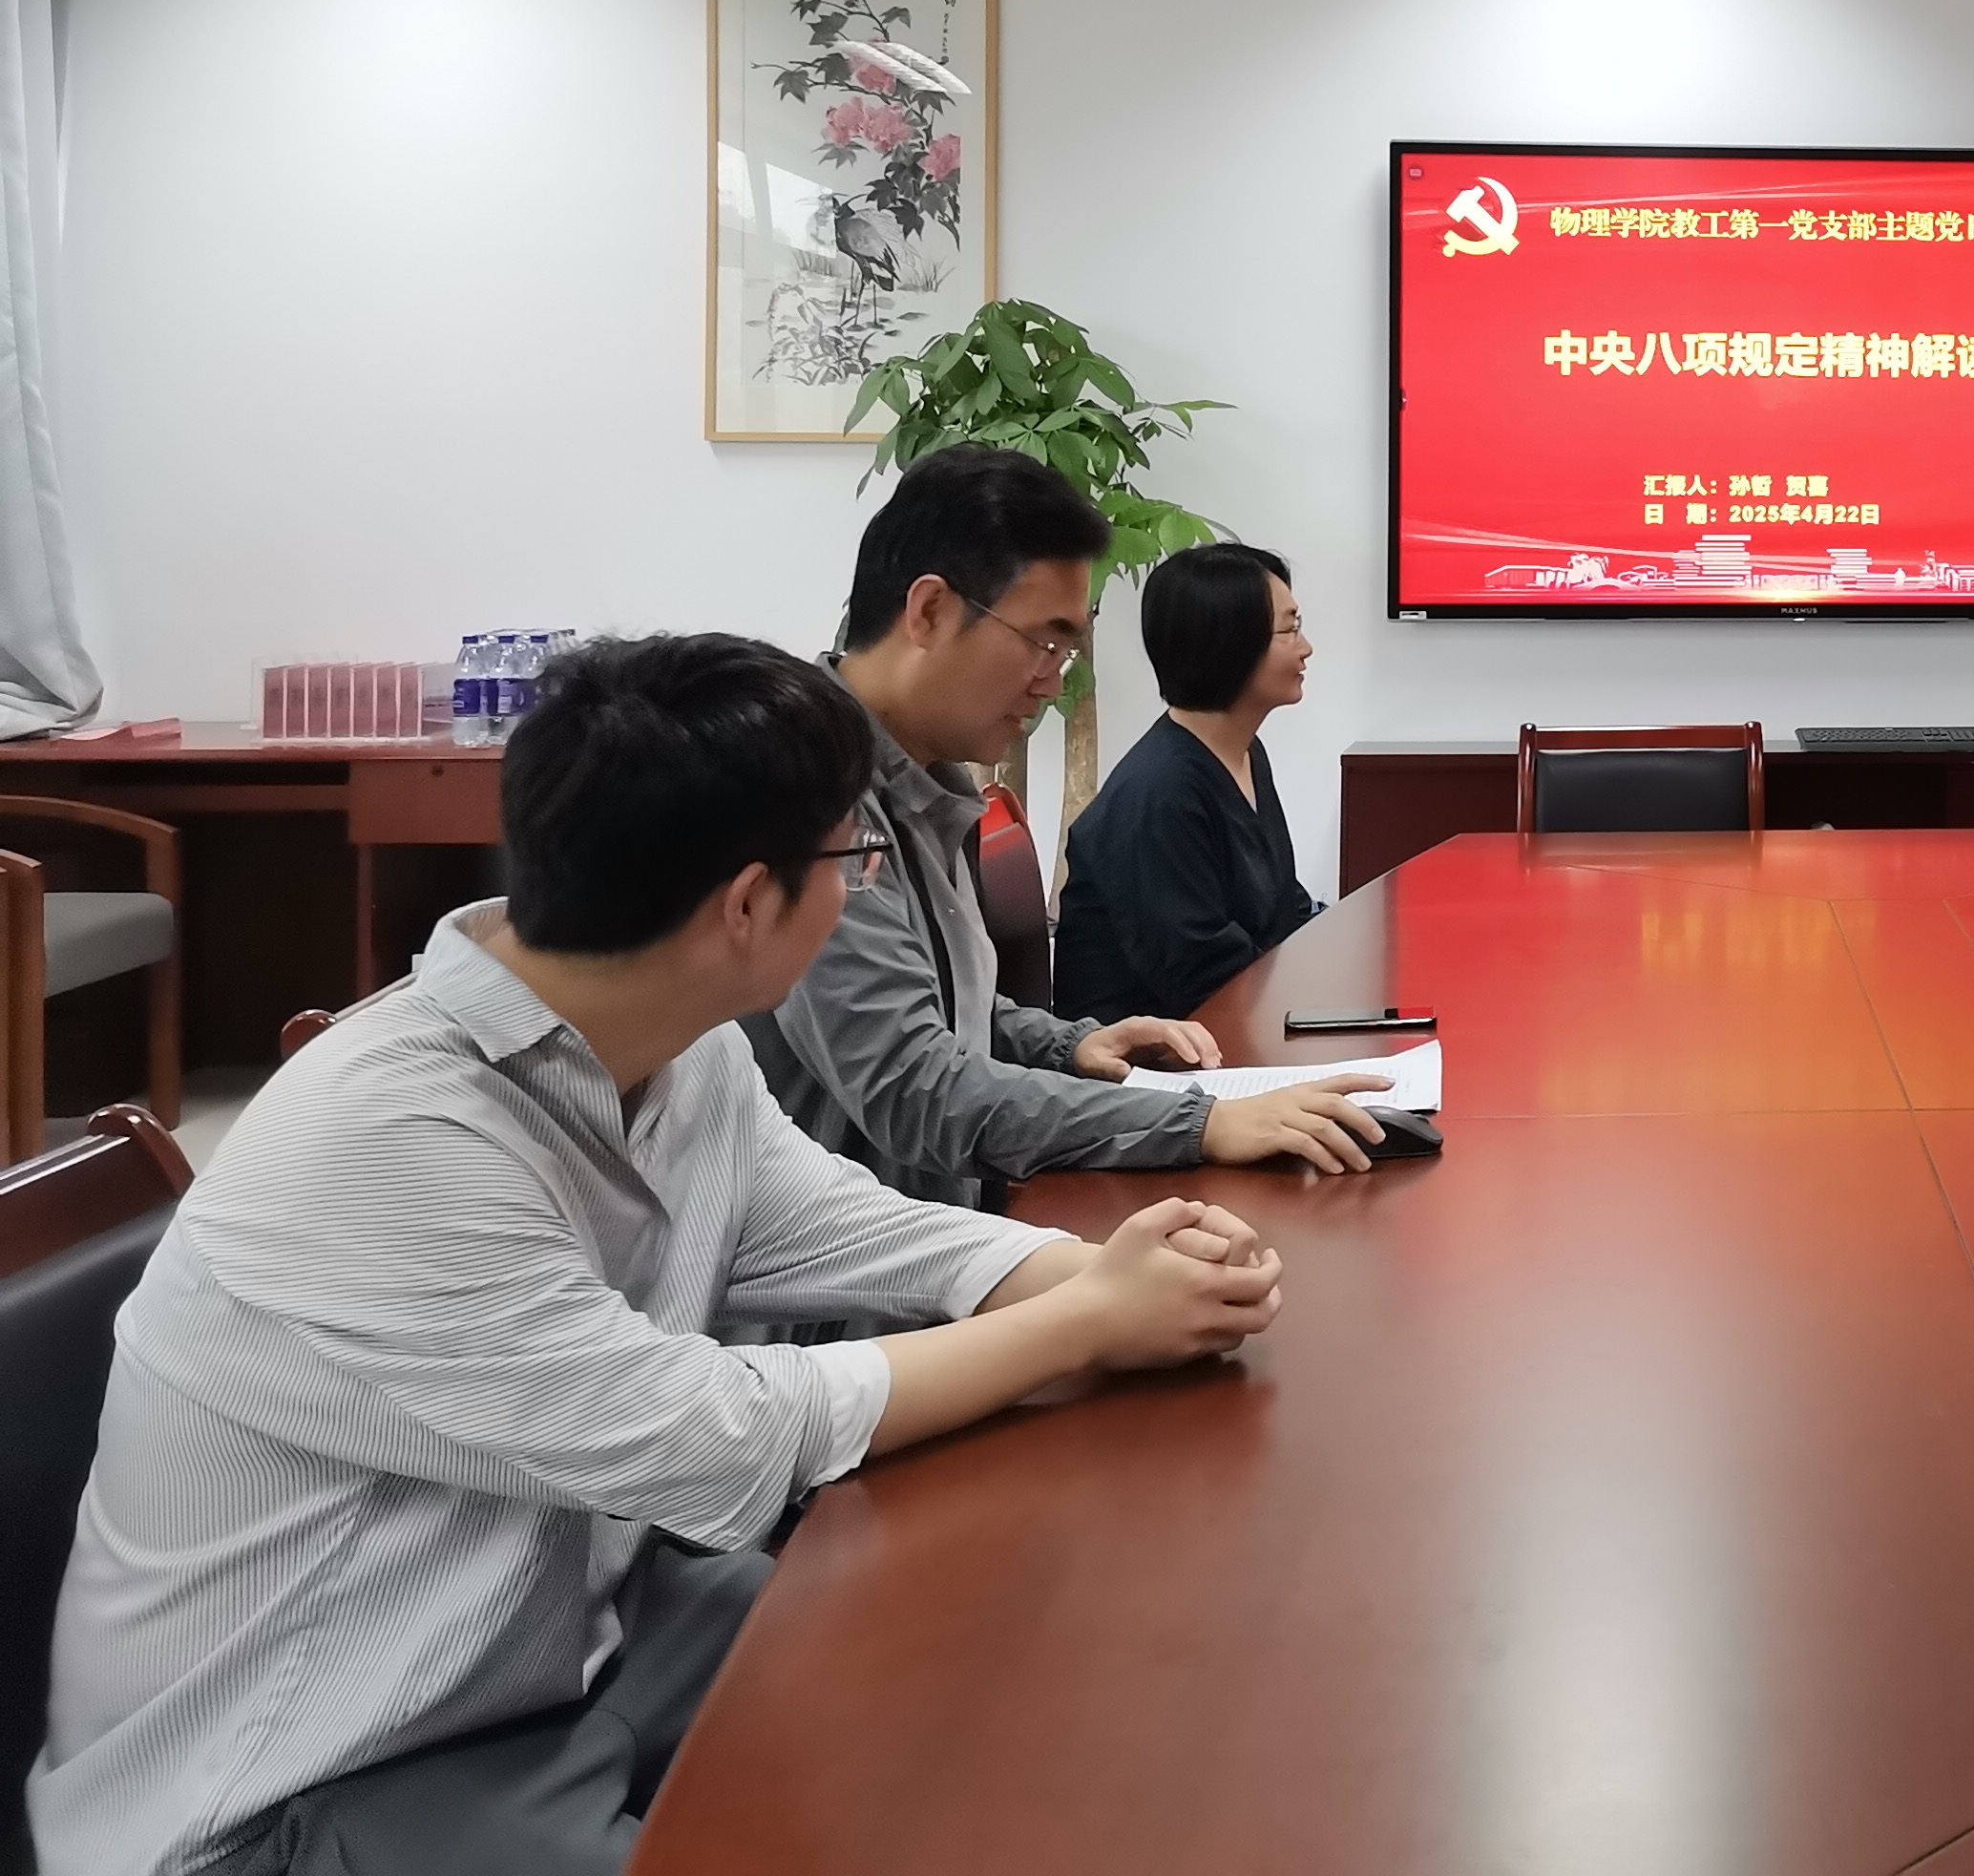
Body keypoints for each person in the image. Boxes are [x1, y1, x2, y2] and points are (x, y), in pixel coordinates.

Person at [32, 635, 1295, 1876]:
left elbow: (850, 1226)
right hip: (307, 1772)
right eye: (853, 860)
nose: (862, 890)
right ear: (747, 906)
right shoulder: (386, 1137)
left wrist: (1117, 1274)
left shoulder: (677, 1045)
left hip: (567, 1630)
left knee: (989, 1683)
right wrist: (1084, 1320)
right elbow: (712, 1434)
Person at [749, 448, 1386, 1204]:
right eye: (1043, 643)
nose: (1054, 682)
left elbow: (945, 1009)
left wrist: (1071, 1044)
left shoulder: (928, 781)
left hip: (952, 1223)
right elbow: (917, 1087)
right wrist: (1198, 1123)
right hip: (867, 1256)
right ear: (929, 612)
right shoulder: (811, 797)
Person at [1055, 542, 1324, 1023]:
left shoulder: (1244, 753)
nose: (1306, 648)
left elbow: (1285, 910)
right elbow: (1202, 977)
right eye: (1290, 629)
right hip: (1153, 1052)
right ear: (1231, 644)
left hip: (1239, 1022)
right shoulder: (1160, 793)